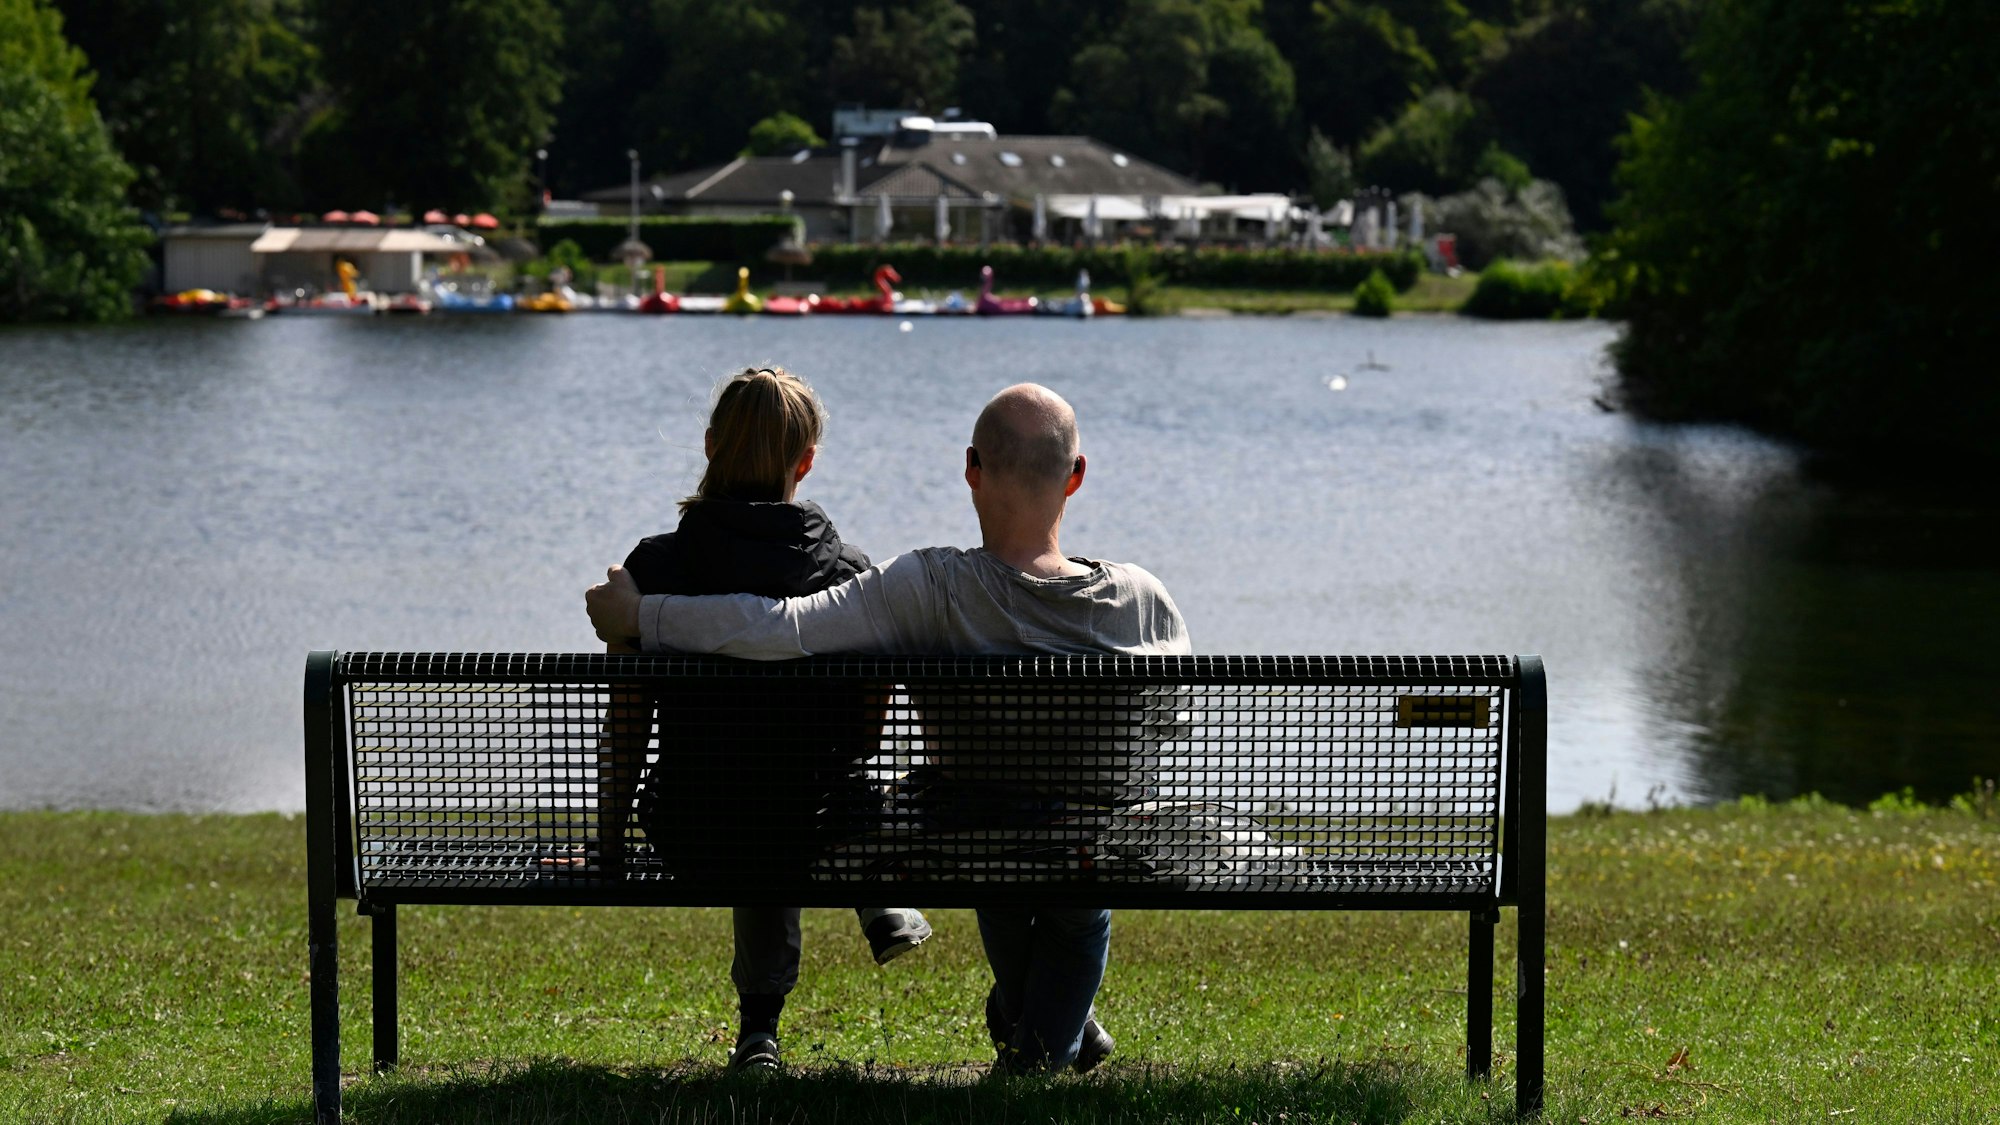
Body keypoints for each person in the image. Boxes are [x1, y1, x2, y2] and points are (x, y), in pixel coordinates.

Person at [588, 383, 1190, 1073]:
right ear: (1076, 476)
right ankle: (1050, 1028)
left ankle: (1033, 1062)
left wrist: (644, 618)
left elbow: (775, 627)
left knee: (991, 856)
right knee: (1071, 900)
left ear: (972, 468)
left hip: (972, 835)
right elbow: (1167, 722)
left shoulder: (930, 588)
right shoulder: (1144, 598)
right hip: (1084, 844)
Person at [600, 365, 932, 1072]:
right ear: (805, 461)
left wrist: (607, 844)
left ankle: (759, 1031)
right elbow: (868, 736)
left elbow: (626, 728)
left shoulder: (653, 569)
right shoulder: (848, 573)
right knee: (810, 794)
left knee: (747, 798)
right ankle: (879, 900)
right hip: (813, 824)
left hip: (692, 824)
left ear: (711, 443)